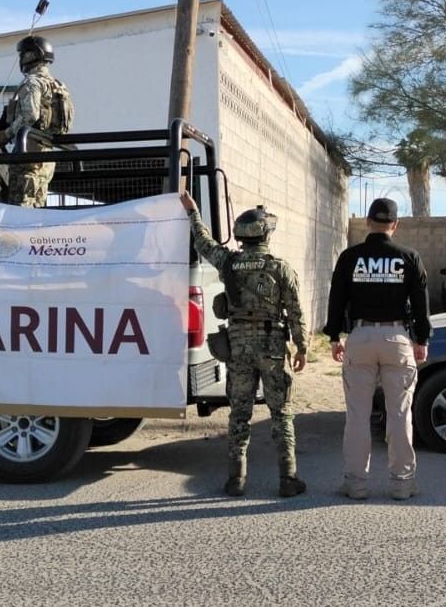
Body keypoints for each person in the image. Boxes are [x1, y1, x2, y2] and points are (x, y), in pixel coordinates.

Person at [179, 191, 308, 497]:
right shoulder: (280, 268)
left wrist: (193, 212)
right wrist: (302, 347)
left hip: (238, 347)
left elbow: (203, 242)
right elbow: (295, 311)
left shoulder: (229, 263)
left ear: (240, 236)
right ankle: (288, 478)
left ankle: (236, 479)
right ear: (265, 235)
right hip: (272, 347)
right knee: (282, 412)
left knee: (239, 413)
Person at [323, 198, 430, 501]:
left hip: (360, 337)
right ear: (395, 225)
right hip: (397, 339)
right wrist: (422, 340)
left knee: (358, 416)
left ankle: (356, 484)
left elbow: (336, 298)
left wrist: (334, 336)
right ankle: (402, 484)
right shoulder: (409, 257)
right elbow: (421, 304)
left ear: (368, 222)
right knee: (399, 414)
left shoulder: (350, 257)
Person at [0, 35, 74, 207]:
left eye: (23, 54)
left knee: (20, 209)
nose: (21, 58)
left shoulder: (32, 82)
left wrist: (6, 134)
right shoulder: (57, 85)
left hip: (28, 155)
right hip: (47, 155)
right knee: (38, 206)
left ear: (32, 55)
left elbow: (30, 116)